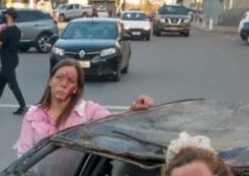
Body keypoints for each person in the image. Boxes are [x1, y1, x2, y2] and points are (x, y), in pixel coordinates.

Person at [16, 59, 154, 156]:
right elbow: (23, 154)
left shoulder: (88, 111)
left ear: (75, 88)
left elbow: (114, 121)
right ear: (50, 81)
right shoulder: (33, 115)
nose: (63, 84)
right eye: (59, 77)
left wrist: (133, 109)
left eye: (70, 81)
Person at [0, 8, 27, 116]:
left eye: (5, 15)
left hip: (8, 61)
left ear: (9, 16)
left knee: (13, 85)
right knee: (1, 83)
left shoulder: (7, 31)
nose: (4, 17)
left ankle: (23, 106)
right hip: (12, 59)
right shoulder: (16, 30)